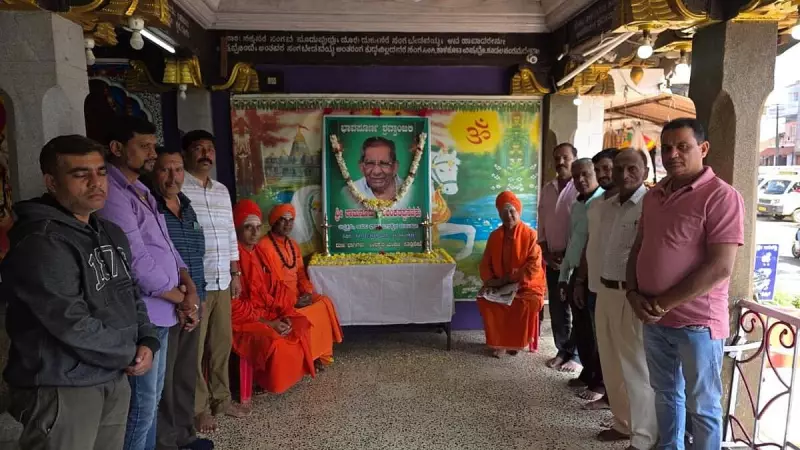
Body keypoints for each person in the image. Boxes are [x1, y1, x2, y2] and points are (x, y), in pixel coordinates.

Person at [2, 135, 159, 450]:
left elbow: (129, 293)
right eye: (80, 174)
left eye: (100, 172)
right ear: (51, 181)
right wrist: (128, 352)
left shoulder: (109, 232)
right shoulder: (41, 241)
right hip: (62, 385)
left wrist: (147, 340)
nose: (96, 182)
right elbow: (69, 321)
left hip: (112, 375)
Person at [626, 118, 744, 450]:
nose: (672, 154)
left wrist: (663, 302)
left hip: (697, 324)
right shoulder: (654, 196)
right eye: (666, 148)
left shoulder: (722, 197)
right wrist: (632, 293)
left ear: (703, 149)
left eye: (682, 147)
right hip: (654, 318)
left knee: (703, 406)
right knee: (665, 394)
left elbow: (720, 266)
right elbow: (639, 247)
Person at [100, 117, 199, 450]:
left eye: (152, 145)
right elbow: (136, 262)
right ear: (116, 149)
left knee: (151, 400)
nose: (152, 153)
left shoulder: (140, 189)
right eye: (144, 146)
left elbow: (167, 245)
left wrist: (188, 288)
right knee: (141, 409)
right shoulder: (112, 194)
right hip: (147, 313)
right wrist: (179, 297)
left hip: (166, 307)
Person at [180, 130, 248, 434]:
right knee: (195, 350)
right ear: (186, 154)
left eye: (209, 148)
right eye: (198, 148)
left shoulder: (221, 190)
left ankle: (222, 399)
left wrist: (236, 274)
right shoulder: (177, 187)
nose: (205, 154)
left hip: (223, 278)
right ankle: (199, 408)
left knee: (222, 344)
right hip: (196, 282)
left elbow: (230, 234)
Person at [147, 147, 214, 450]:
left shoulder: (186, 206)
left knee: (186, 373)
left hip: (193, 302)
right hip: (164, 304)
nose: (173, 177)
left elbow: (196, 254)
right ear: (154, 172)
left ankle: (186, 437)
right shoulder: (151, 208)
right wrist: (181, 300)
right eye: (165, 169)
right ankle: (166, 443)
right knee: (164, 381)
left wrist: (195, 300)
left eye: (177, 169)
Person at [591, 149, 658, 449]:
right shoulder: (608, 206)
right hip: (604, 291)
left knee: (635, 368)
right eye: (618, 169)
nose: (624, 174)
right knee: (611, 364)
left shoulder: (651, 205)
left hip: (630, 296)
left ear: (645, 170)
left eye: (632, 168)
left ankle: (643, 438)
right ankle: (622, 423)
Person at [231, 199, 316, 393]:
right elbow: (234, 306)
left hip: (270, 312)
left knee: (301, 324)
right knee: (275, 340)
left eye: (258, 227)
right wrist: (269, 324)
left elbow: (277, 287)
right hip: (246, 319)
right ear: (236, 229)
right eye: (248, 227)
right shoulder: (232, 259)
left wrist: (284, 313)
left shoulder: (260, 252)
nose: (254, 233)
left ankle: (288, 376)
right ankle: (268, 382)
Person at [258, 204, 343, 368]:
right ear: (274, 222)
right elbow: (265, 284)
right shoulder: (263, 246)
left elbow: (301, 273)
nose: (287, 224)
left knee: (324, 303)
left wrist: (306, 292)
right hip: (278, 300)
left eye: (291, 221)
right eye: (283, 220)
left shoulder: (293, 244)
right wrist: (291, 300)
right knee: (309, 312)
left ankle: (318, 353)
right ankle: (308, 357)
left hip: (297, 295)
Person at [573, 148, 618, 410]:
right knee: (597, 338)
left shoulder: (640, 203)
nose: (603, 175)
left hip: (622, 290)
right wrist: (579, 279)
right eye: (598, 169)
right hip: (593, 283)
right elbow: (589, 244)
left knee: (615, 347)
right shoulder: (597, 205)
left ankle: (608, 394)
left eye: (606, 169)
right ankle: (602, 387)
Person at [476, 191, 546, 358]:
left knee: (524, 303)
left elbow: (533, 267)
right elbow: (486, 263)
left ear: (518, 211)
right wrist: (492, 281)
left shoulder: (530, 235)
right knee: (485, 300)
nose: (508, 215)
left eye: (511, 211)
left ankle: (515, 343)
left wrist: (512, 280)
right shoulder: (494, 236)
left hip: (526, 285)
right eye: (503, 212)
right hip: (501, 284)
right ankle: (499, 343)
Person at [558, 158, 605, 390]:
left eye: (585, 174)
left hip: (594, 272)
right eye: (575, 177)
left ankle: (600, 382)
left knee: (597, 331)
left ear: (596, 173)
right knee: (582, 326)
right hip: (576, 270)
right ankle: (588, 373)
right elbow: (573, 243)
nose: (580, 180)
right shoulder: (577, 205)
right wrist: (563, 277)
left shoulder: (604, 202)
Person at [537, 143, 580, 371]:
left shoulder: (580, 187)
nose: (560, 162)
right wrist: (544, 249)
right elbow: (542, 221)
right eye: (557, 158)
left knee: (577, 307)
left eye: (565, 157)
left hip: (575, 260)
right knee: (557, 307)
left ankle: (577, 356)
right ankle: (562, 350)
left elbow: (583, 227)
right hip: (552, 259)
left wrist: (569, 254)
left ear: (575, 158)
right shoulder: (548, 188)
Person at [342, 136, 412, 210]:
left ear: (395, 167)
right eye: (370, 163)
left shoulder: (411, 192)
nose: (376, 171)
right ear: (362, 167)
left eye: (384, 163)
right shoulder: (347, 194)